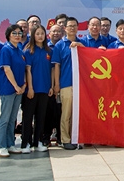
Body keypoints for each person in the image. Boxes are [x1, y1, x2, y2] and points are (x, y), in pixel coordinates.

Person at [52, 17, 83, 150]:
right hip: (66, 83)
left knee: (78, 114)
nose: (72, 28)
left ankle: (76, 138)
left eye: (75, 26)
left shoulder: (82, 43)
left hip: (80, 85)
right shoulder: (60, 45)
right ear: (64, 28)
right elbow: (56, 66)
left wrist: (81, 47)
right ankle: (65, 139)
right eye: (70, 26)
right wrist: (57, 84)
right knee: (66, 114)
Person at [21, 25, 53, 153]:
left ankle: (38, 141)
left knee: (41, 117)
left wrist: (51, 86)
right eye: (37, 34)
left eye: (42, 33)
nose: (40, 36)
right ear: (33, 35)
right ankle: (26, 143)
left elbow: (52, 70)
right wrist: (30, 88)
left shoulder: (49, 51)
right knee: (28, 117)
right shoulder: (28, 51)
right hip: (31, 89)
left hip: (44, 89)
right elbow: (27, 70)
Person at [0, 24, 27, 157]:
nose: (17, 35)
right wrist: (15, 86)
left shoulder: (19, 50)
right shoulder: (6, 49)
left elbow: (24, 69)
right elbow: (7, 69)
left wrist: (23, 86)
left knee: (12, 118)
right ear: (8, 35)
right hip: (9, 89)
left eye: (19, 33)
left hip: (19, 90)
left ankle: (10, 144)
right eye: (14, 33)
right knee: (5, 118)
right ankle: (1, 145)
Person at [43, 24, 63, 147]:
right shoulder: (45, 47)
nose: (56, 33)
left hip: (63, 83)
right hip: (48, 85)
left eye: (58, 31)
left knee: (60, 112)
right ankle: (46, 137)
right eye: (53, 31)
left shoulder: (64, 46)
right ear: (49, 34)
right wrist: (52, 85)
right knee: (48, 112)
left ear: (62, 33)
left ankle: (60, 137)